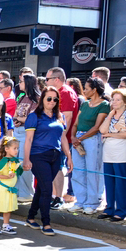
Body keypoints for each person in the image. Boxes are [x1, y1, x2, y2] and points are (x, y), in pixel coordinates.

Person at [23, 86, 73, 236]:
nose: (52, 101)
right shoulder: (34, 116)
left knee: (42, 188)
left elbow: (63, 138)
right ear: (42, 99)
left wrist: (69, 156)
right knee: (47, 189)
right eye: (49, 98)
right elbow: (28, 139)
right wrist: (26, 159)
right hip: (38, 155)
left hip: (55, 156)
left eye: (55, 99)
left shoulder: (60, 116)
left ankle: (31, 217)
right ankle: (46, 223)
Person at [69, 77, 109, 214]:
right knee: (78, 171)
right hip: (79, 138)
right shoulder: (85, 104)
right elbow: (76, 123)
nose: (84, 91)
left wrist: (79, 138)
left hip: (92, 139)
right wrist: (73, 137)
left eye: (86, 88)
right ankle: (80, 201)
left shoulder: (104, 105)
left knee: (92, 171)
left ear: (94, 90)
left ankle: (92, 202)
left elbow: (97, 127)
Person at [99, 88, 126, 223]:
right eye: (113, 99)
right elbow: (102, 130)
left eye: (118, 100)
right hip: (108, 152)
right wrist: (110, 115)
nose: (114, 102)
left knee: (120, 182)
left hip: (122, 151)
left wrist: (110, 135)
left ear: (125, 101)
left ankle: (121, 210)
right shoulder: (112, 113)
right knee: (109, 181)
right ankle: (109, 208)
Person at [46, 67, 79, 209]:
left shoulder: (65, 92)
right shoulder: (58, 92)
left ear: (56, 79)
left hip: (60, 138)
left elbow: (67, 116)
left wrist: (62, 136)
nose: (46, 82)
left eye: (47, 79)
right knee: (53, 167)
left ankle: (58, 197)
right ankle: (53, 195)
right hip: (53, 137)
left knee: (58, 166)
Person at [13, 74, 40, 199]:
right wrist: (17, 120)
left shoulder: (36, 99)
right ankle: (17, 191)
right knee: (16, 162)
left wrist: (19, 119)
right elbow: (16, 114)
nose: (20, 84)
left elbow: (32, 118)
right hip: (17, 131)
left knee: (25, 161)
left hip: (27, 132)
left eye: (22, 81)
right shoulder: (22, 97)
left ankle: (27, 193)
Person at [0, 137, 22, 235]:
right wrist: (6, 176)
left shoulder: (15, 161)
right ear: (6, 149)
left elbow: (18, 171)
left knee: (8, 208)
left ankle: (6, 225)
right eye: (14, 148)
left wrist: (23, 168)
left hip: (10, 190)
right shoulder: (3, 162)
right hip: (3, 189)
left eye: (17, 148)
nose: (16, 150)